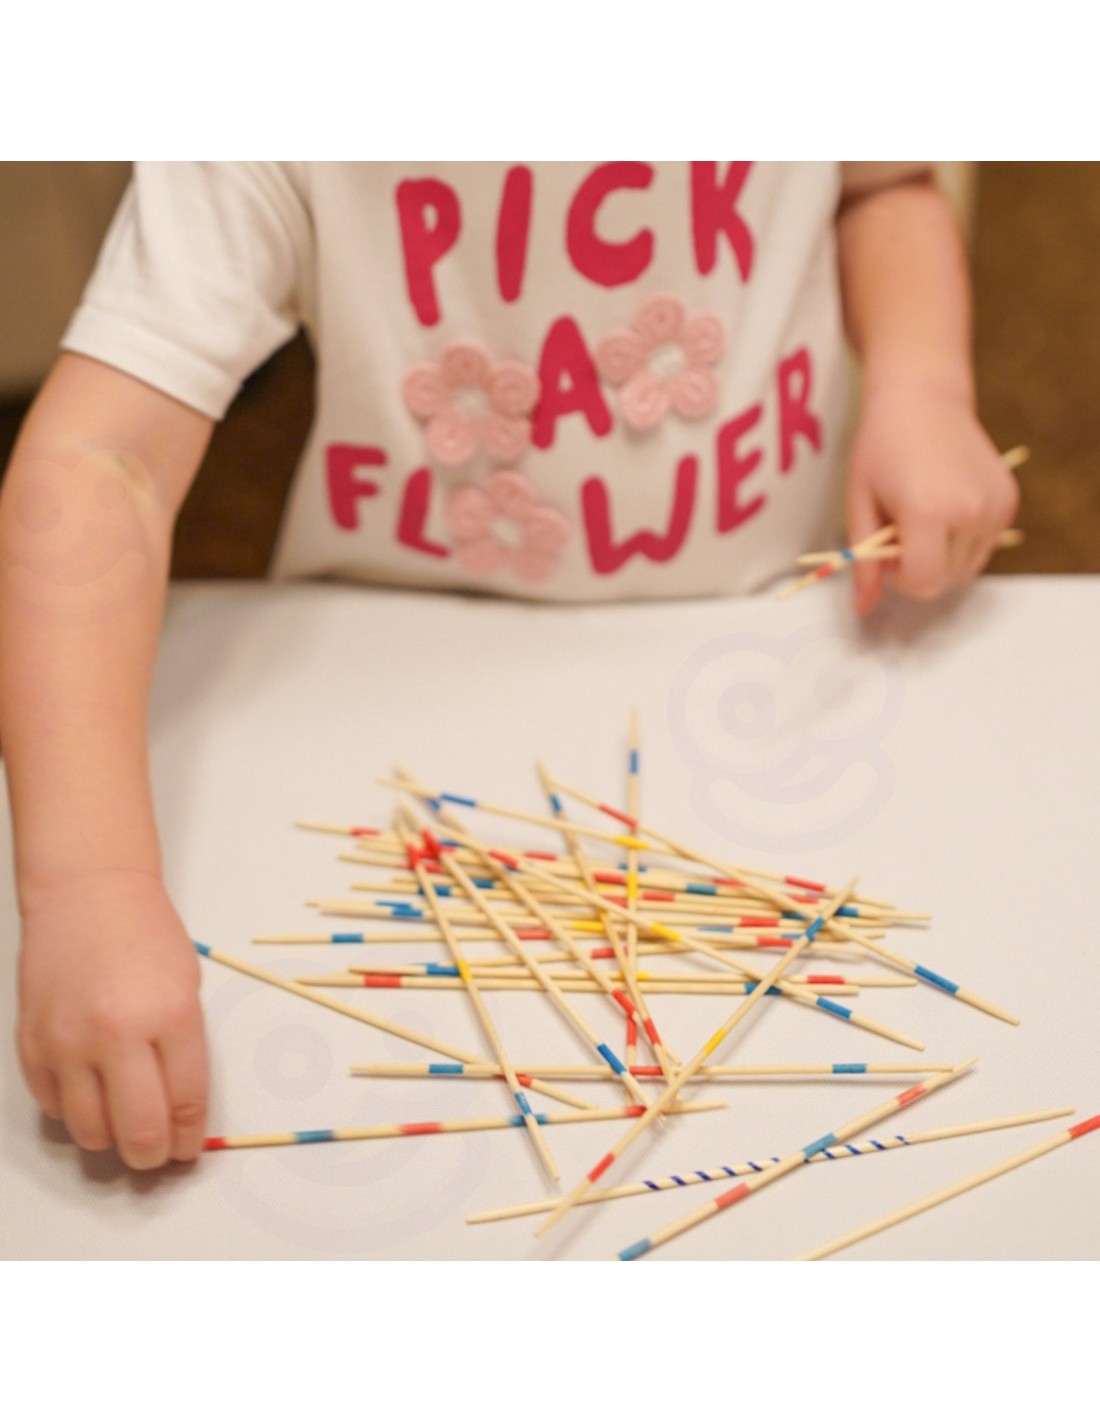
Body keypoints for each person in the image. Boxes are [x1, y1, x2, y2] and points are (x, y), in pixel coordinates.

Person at [0, 162, 1020, 1171]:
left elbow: (879, 185)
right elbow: (102, 464)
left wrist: (921, 383)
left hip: (767, 654)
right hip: (389, 690)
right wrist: (85, 884)